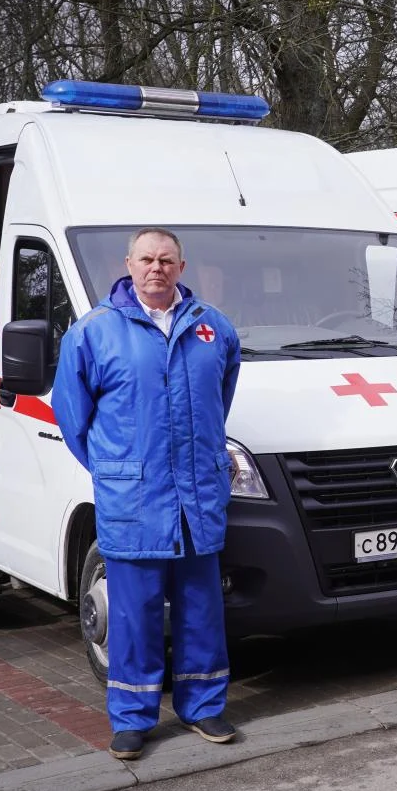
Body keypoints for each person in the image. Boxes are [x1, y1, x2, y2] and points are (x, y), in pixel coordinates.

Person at [53, 228, 242, 760]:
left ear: (182, 266)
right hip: (133, 502)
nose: (156, 268)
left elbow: (220, 397)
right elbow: (72, 416)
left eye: (166, 260)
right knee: (133, 616)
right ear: (128, 264)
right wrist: (115, 470)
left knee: (201, 610)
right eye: (146, 259)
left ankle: (203, 707)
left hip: (195, 499)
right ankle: (133, 718)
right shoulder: (94, 332)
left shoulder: (213, 327)